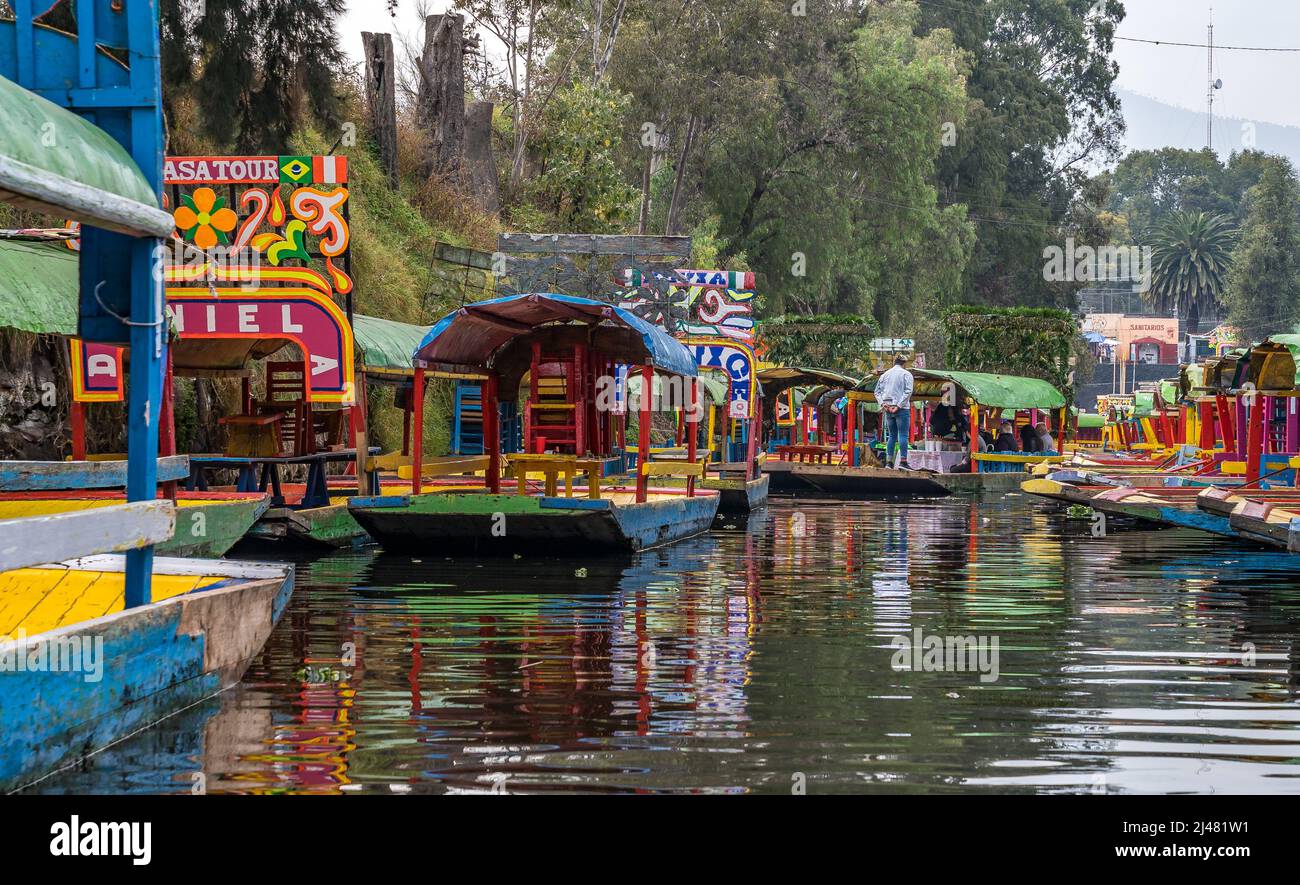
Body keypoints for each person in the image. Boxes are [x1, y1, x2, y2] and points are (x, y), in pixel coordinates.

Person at [876, 354, 914, 469]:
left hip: (888, 408)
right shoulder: (906, 374)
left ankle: (889, 462)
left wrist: (883, 404)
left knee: (892, 436)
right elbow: (908, 391)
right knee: (903, 435)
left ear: (894, 362)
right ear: (904, 363)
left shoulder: (884, 375)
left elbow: (877, 392)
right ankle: (903, 461)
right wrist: (898, 406)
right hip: (901, 409)